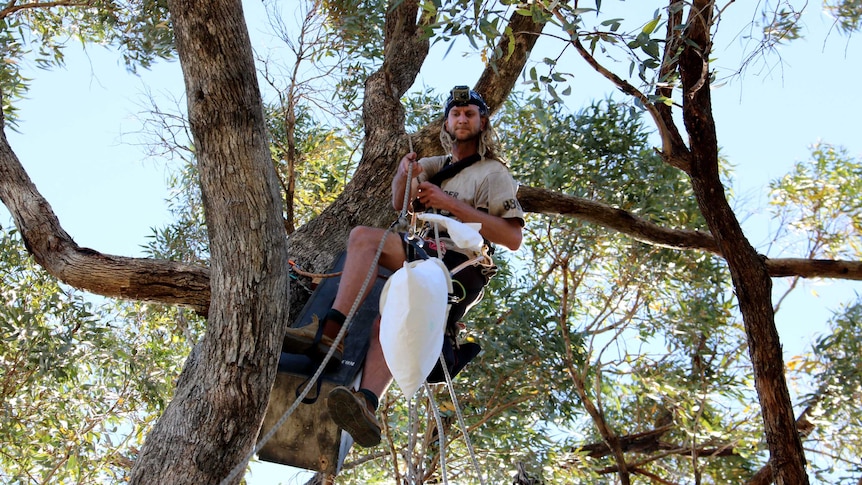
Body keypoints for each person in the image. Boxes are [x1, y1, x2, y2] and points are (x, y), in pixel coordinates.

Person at [282, 86, 524, 448]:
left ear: (482, 122)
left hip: (458, 263)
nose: (462, 119)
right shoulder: (434, 166)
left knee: (366, 239)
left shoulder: (493, 174)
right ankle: (367, 402)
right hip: (424, 254)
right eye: (456, 114)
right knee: (391, 319)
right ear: (447, 121)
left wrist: (448, 203)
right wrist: (403, 171)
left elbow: (511, 237)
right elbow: (400, 200)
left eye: (470, 114)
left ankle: (331, 333)